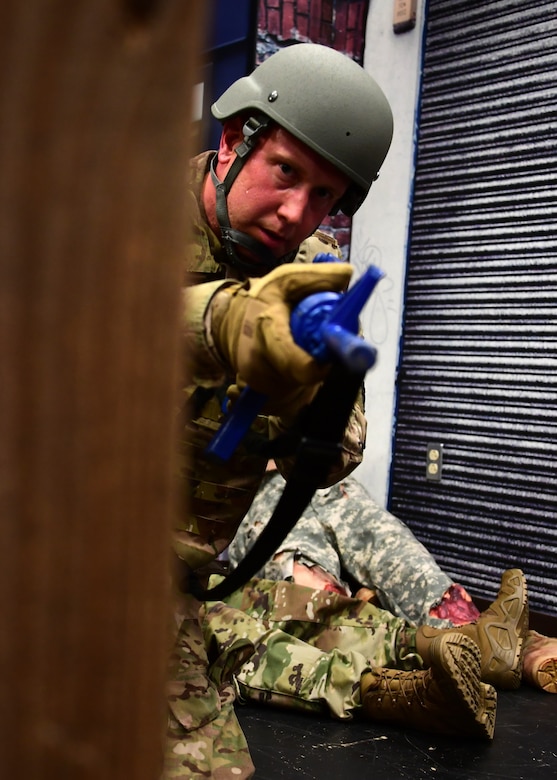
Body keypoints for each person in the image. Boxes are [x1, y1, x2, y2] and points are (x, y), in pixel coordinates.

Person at [169, 43, 529, 779]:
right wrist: (228, 328)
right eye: (285, 173)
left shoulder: (312, 277)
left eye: (325, 195)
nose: (296, 212)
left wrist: (303, 384)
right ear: (233, 139)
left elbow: (337, 454)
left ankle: (460, 634)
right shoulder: (119, 226)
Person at [228, 464, 557, 695]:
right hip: (254, 490)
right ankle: (465, 648)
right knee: (305, 579)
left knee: (400, 556)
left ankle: (487, 641)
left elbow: (349, 443)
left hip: (322, 480)